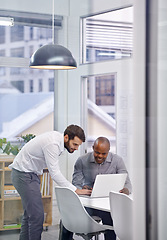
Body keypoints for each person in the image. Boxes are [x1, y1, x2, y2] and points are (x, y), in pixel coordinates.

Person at [9, 125, 92, 240]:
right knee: (37, 217)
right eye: (75, 144)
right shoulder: (52, 144)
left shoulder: (57, 141)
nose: (76, 148)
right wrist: (76, 190)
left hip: (29, 175)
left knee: (29, 216)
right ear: (67, 137)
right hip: (24, 175)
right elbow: (55, 173)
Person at [60, 136, 132, 240]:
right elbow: (76, 184)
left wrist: (126, 190)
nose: (100, 156)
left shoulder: (117, 161)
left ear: (108, 151)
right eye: (97, 152)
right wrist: (83, 189)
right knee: (67, 218)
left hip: (106, 205)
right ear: (93, 148)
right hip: (88, 204)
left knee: (111, 220)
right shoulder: (82, 161)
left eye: (104, 154)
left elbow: (128, 183)